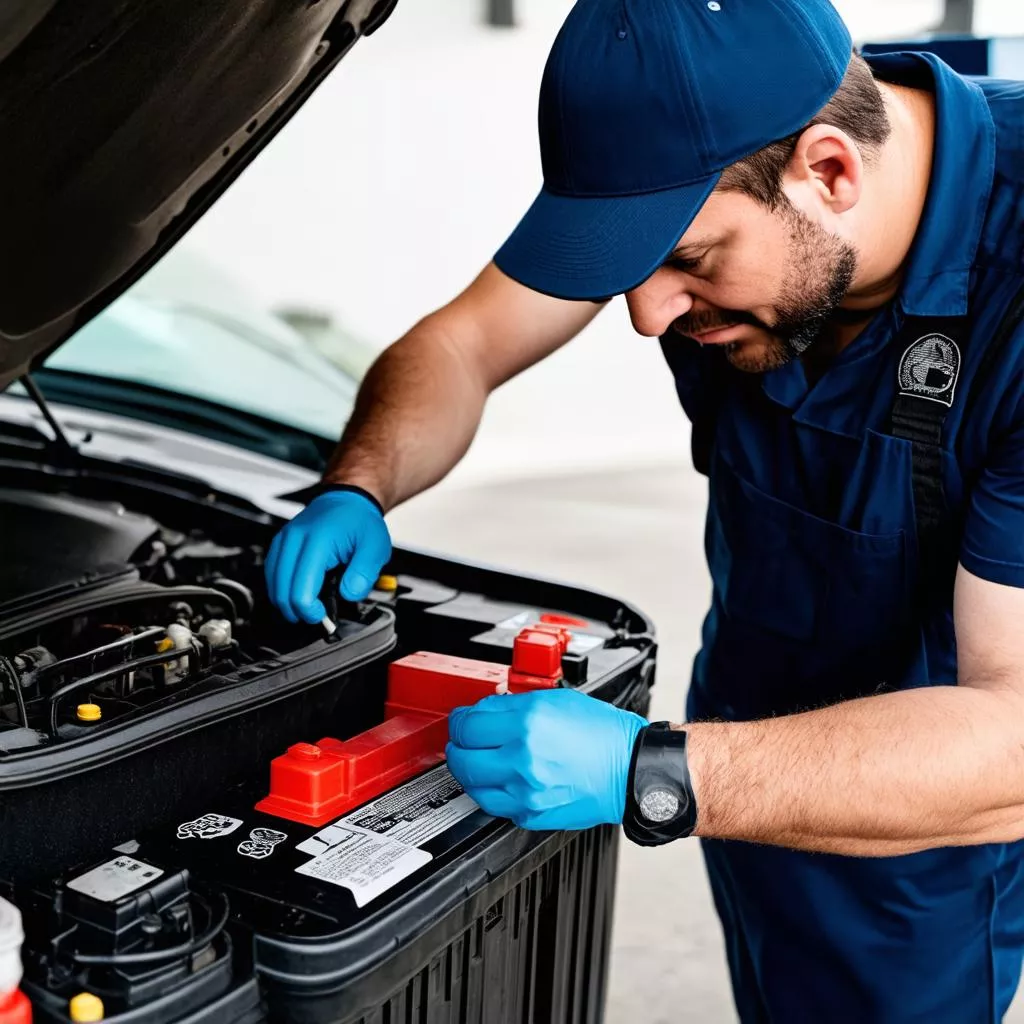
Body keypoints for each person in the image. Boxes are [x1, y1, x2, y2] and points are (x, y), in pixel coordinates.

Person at [265, 0, 1024, 1018]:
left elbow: (1011, 735)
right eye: (626, 267)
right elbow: (462, 345)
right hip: (737, 723)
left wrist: (651, 769)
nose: (645, 314)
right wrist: (358, 482)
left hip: (919, 815)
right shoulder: (694, 160)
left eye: (690, 263)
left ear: (831, 171)